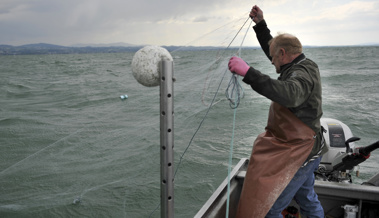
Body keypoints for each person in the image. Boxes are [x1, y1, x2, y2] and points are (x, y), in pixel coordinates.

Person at [228, 5, 328, 218]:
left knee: (270, 209)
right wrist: (260, 25)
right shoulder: (295, 64)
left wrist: (249, 73)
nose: (271, 61)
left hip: (302, 152)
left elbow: (291, 93)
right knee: (307, 198)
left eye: (274, 57)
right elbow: (273, 49)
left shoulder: (303, 73)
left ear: (283, 54)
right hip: (308, 148)